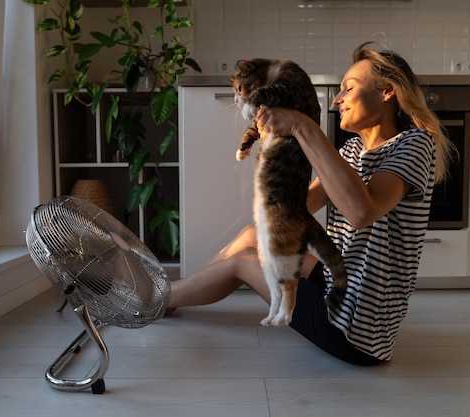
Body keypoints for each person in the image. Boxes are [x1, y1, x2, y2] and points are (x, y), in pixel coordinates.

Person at [167, 42, 454, 366]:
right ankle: (171, 297)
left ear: (387, 91)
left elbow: (361, 213)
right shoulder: (352, 150)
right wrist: (281, 144)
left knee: (243, 262)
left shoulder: (414, 144)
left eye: (348, 88)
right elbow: (293, 210)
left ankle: (156, 299)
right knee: (252, 235)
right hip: (339, 282)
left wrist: (304, 126)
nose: (337, 99)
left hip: (356, 327)